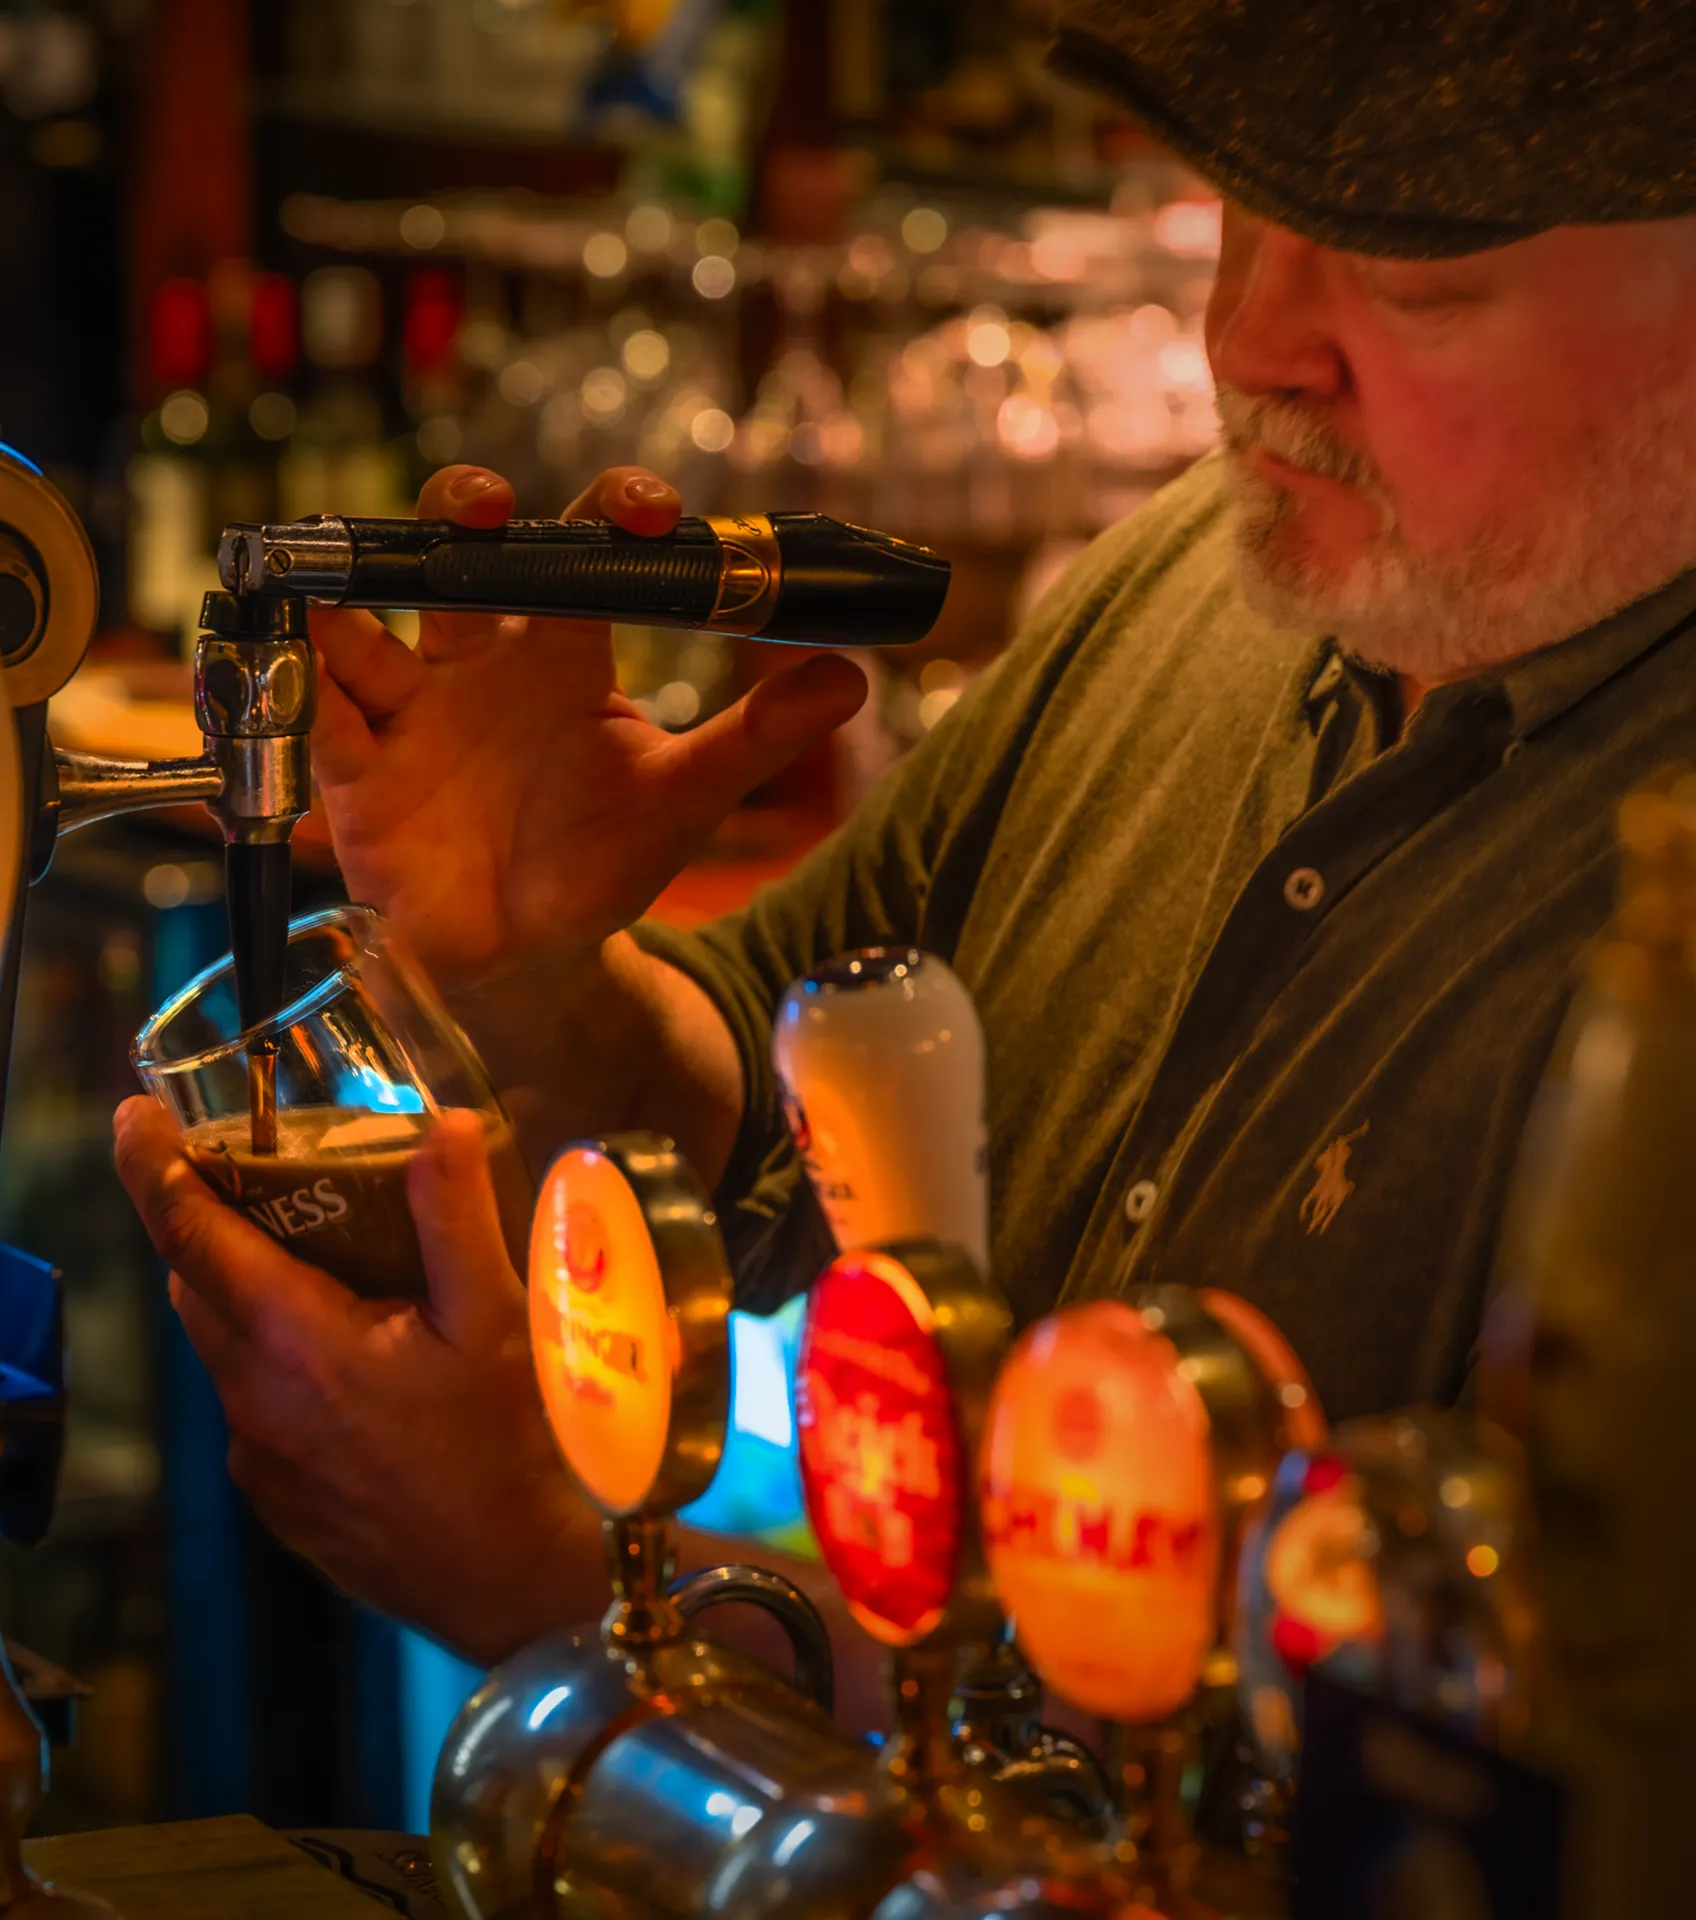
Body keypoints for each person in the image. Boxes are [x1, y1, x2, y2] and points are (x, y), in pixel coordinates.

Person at [115, 0, 1696, 1669]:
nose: (1252, 341)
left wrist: (561, 1589)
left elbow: (1471, 1785)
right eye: (1245, 213)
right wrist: (537, 977)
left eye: (1411, 271)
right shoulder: (1197, 583)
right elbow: (780, 1126)